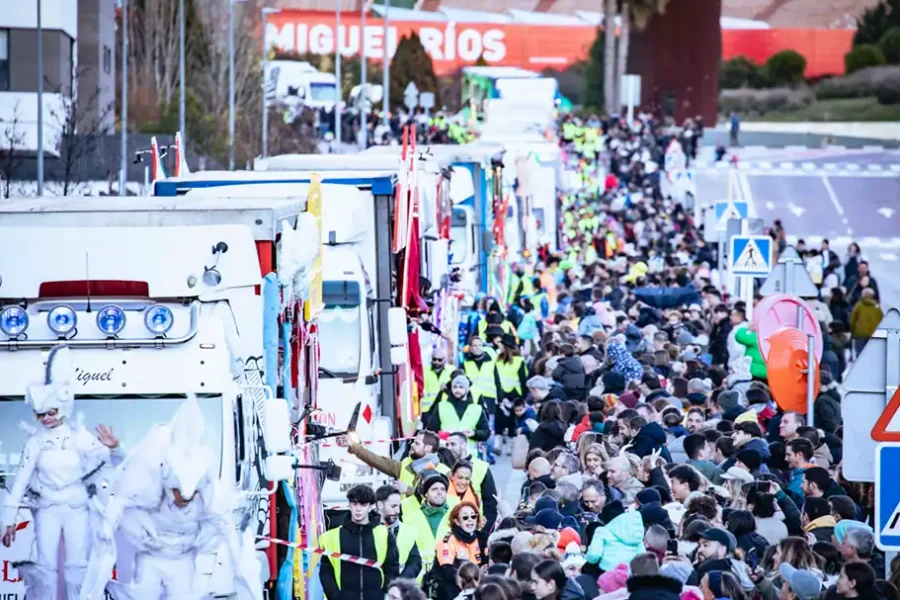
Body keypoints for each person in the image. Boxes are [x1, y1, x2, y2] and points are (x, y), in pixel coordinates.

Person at [85, 395, 262, 600]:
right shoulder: (151, 489)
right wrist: (107, 528)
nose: (184, 498)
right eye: (178, 492)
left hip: (182, 561)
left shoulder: (207, 497)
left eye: (190, 494)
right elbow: (130, 480)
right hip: (151, 558)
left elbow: (225, 525)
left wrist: (239, 561)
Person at [2, 346, 123, 600]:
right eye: (41, 414)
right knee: (45, 568)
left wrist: (115, 447)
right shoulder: (35, 442)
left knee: (76, 567)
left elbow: (114, 461)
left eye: (51, 412)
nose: (46, 418)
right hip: (47, 510)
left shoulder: (79, 436)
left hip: (77, 509)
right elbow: (21, 481)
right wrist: (8, 521)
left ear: (63, 408)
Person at [446, 432, 499, 531]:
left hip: (475, 528)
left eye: (453, 444)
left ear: (463, 445)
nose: (449, 448)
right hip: (449, 528)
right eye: (447, 445)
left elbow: (490, 503)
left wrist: (485, 531)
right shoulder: (445, 467)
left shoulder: (481, 467)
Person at [425, 375, 491, 454]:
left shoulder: (477, 409)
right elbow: (430, 431)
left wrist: (474, 433)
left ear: (467, 389)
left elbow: (486, 433)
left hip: (468, 455)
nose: (457, 390)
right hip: (446, 454)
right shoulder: (441, 406)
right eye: (455, 387)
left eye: (461, 387)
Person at [435, 502, 484, 600]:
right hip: (453, 587)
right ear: (457, 521)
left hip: (477, 584)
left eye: (473, 516)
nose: (470, 520)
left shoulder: (482, 538)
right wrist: (469, 581)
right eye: (465, 517)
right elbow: (447, 571)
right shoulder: (447, 541)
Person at [377, 485, 423, 581]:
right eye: (393, 506)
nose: (398, 511)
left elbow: (415, 562)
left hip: (399, 586)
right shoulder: (368, 529)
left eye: (399, 506)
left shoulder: (407, 530)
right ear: (380, 505)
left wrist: (401, 581)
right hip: (374, 587)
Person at [424, 348, 454, 414]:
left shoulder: (452, 370)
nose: (436, 362)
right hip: (427, 410)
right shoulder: (424, 371)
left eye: (439, 360)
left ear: (445, 359)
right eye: (434, 359)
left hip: (446, 409)